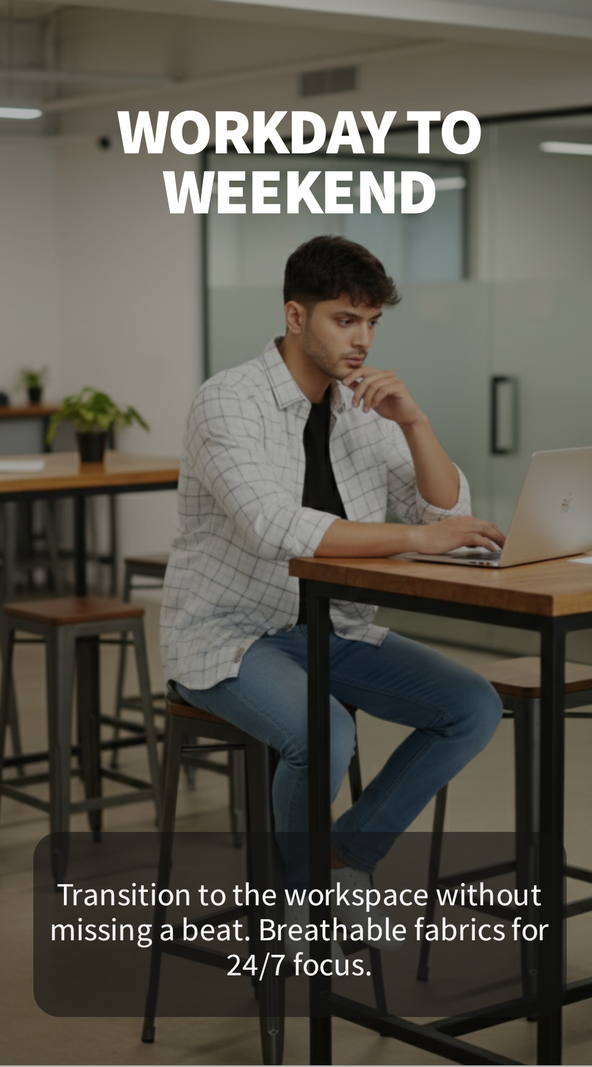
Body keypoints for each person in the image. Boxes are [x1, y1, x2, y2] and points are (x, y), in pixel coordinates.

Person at [161, 234, 504, 951]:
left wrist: (415, 422)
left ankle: (344, 858)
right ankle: (297, 899)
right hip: (230, 632)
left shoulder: (361, 408)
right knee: (325, 734)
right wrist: (420, 540)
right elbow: (274, 525)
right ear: (295, 315)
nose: (362, 340)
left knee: (471, 705)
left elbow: (447, 515)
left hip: (331, 628)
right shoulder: (228, 402)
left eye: (372, 322)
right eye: (345, 320)